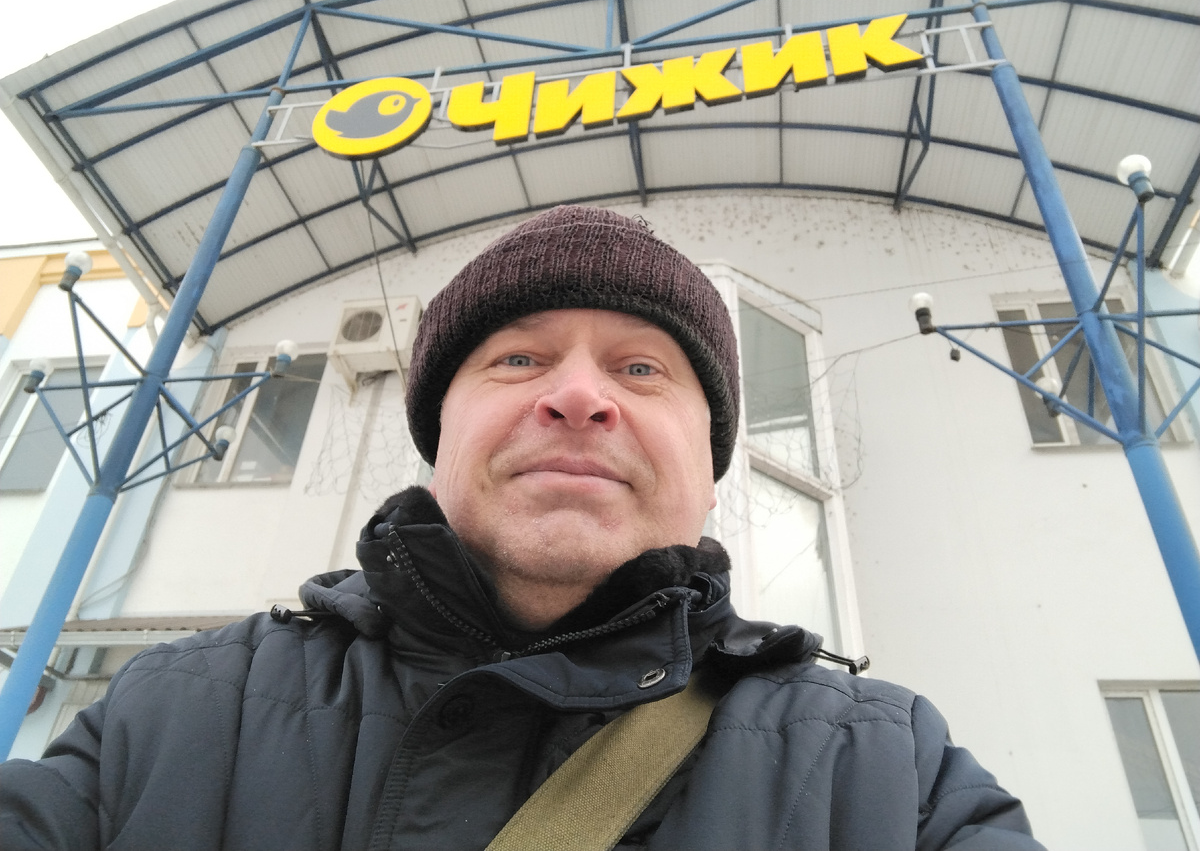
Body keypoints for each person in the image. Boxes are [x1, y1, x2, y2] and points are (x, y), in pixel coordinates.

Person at [0, 205, 1045, 850]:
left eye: (643, 368)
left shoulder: (886, 770)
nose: (580, 396)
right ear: (439, 439)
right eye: (517, 359)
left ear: (710, 474)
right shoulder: (178, 713)